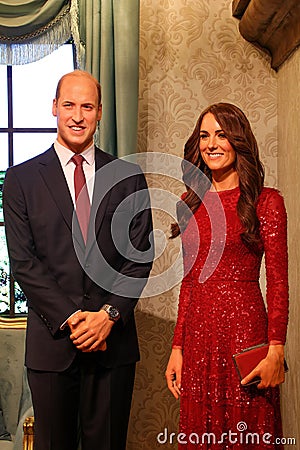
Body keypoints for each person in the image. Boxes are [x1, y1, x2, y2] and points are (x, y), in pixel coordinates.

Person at [3, 70, 153, 450]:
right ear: (54, 107)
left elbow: (138, 259)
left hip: (112, 344)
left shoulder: (128, 177)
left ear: (100, 112)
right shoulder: (21, 180)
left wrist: (108, 316)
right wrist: (73, 320)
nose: (77, 115)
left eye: (87, 106)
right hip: (53, 346)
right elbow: (24, 263)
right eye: (68, 104)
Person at [165, 103, 288, 449]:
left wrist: (276, 349)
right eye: (204, 135)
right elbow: (189, 282)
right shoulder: (188, 205)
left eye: (222, 134)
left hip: (245, 335)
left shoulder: (266, 202)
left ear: (239, 141)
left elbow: (278, 282)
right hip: (199, 340)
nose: (212, 144)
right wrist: (178, 347)